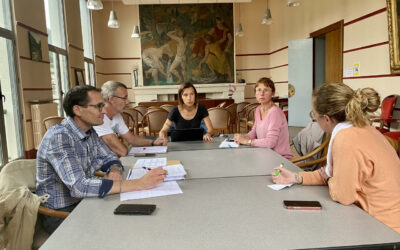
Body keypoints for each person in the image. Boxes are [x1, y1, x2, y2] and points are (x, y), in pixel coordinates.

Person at [36, 85, 167, 234]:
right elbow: (79, 187)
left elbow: (110, 157)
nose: (104, 111)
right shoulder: (59, 137)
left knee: (134, 226)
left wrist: (115, 169)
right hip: (62, 213)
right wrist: (139, 183)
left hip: (85, 203)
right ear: (77, 110)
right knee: (124, 231)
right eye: (99, 106)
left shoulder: (89, 131)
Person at [272, 83, 400, 234]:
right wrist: (295, 177)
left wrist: (329, 178)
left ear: (326, 119)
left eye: (313, 114)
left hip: (384, 230)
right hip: (379, 219)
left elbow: (343, 196)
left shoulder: (347, 140)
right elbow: (329, 174)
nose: (314, 119)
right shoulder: (363, 128)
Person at [93, 81, 167, 157]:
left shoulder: (116, 115)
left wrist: (153, 142)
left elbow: (131, 138)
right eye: (124, 98)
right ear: (111, 99)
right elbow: (122, 151)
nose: (127, 102)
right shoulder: (99, 118)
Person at [234, 77, 292, 159]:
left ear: (273, 93)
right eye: (259, 90)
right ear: (255, 93)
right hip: (264, 154)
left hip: (280, 159)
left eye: (266, 90)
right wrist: (243, 137)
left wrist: (248, 142)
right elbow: (254, 132)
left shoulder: (275, 112)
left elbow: (270, 142)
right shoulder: (258, 110)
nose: (261, 94)